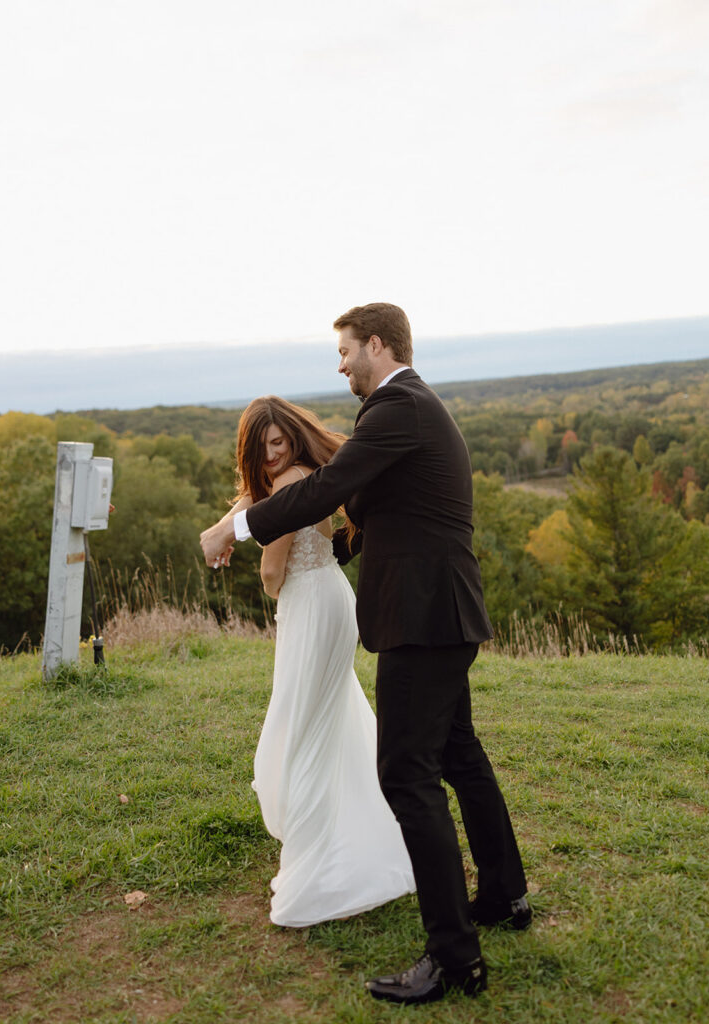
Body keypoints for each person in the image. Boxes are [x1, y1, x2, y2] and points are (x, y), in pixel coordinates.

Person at [201, 303, 530, 1005]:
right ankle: (503, 897)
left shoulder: (394, 409)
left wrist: (232, 526)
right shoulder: (408, 408)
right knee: (459, 755)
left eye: (346, 351)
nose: (341, 365)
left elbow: (325, 489)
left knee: (406, 775)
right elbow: (376, 519)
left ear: (376, 345)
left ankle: (453, 959)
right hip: (437, 611)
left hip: (422, 618)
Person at [210, 396, 415, 927]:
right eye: (262, 447)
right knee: (333, 719)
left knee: (299, 724)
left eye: (278, 442)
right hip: (333, 595)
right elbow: (257, 508)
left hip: (308, 602)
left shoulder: (286, 485)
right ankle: (362, 838)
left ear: (292, 439)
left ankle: (320, 862)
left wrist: (274, 585)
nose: (272, 454)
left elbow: (272, 570)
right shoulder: (309, 473)